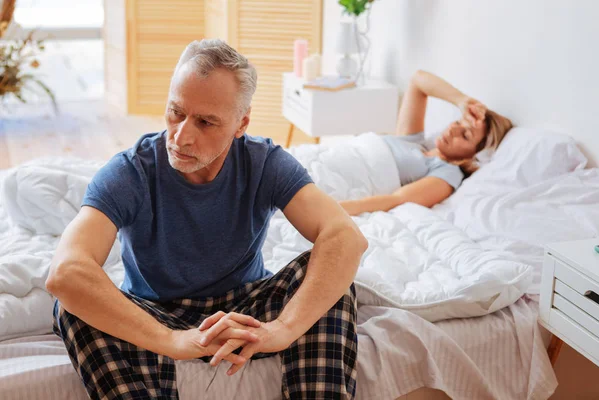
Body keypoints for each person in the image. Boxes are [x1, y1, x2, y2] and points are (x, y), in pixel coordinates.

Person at [46, 39, 367, 400]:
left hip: (247, 311)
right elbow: (66, 271)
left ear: (240, 123)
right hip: (155, 314)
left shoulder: (265, 162)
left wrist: (282, 329)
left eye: (205, 121)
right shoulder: (129, 172)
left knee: (331, 278)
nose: (181, 136)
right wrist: (172, 341)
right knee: (71, 306)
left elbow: (345, 237)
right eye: (176, 112)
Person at [340, 70, 513, 216]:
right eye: (459, 122)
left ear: (475, 156)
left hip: (344, 182)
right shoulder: (413, 140)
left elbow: (395, 200)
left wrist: (336, 210)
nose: (453, 130)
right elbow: (418, 80)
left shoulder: (447, 173)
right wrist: (461, 100)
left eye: (466, 135)